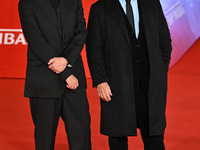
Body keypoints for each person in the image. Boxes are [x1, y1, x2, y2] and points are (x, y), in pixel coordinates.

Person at [86, 0, 172, 149]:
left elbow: (164, 40)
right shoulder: (99, 8)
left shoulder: (151, 3)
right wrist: (100, 80)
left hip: (150, 83)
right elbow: (94, 49)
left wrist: (159, 71)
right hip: (116, 84)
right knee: (117, 137)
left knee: (154, 136)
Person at [18, 0, 91, 149]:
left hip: (74, 79)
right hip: (45, 80)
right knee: (44, 139)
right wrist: (65, 73)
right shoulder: (27, 3)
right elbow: (36, 41)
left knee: (81, 135)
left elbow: (81, 31)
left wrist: (66, 60)